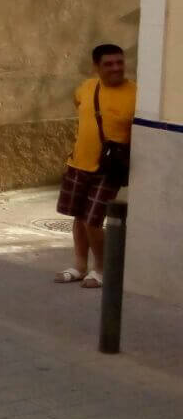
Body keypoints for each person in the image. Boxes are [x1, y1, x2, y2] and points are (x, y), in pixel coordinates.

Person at [56, 43, 135, 289]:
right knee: (79, 217)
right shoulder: (87, 88)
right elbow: (79, 105)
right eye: (109, 64)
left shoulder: (135, 93)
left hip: (108, 169)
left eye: (119, 62)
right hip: (79, 162)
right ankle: (79, 266)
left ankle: (100, 268)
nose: (116, 68)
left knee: (93, 220)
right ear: (96, 67)